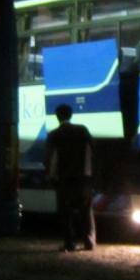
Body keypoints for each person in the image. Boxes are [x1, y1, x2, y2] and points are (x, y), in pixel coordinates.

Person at [44, 103, 96, 252]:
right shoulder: (82, 130)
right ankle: (88, 241)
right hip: (83, 178)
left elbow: (50, 158)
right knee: (85, 210)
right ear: (71, 115)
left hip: (64, 179)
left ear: (57, 117)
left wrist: (50, 176)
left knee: (65, 212)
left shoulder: (54, 134)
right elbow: (93, 150)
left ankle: (69, 243)